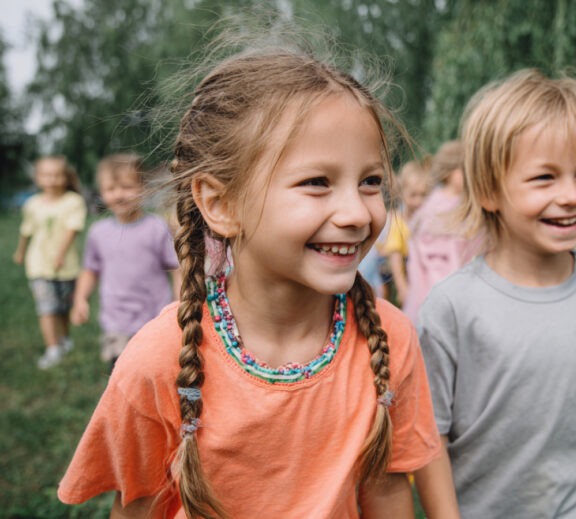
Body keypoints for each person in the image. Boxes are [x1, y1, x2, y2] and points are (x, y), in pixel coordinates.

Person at [56, 42, 445, 518]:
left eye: (371, 182)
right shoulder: (159, 360)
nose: (357, 212)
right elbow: (137, 507)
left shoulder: (391, 339)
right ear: (220, 205)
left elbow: (386, 488)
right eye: (317, 182)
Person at [417, 69, 576, 518]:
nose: (572, 196)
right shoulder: (450, 309)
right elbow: (430, 436)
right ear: (488, 191)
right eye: (544, 178)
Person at [70, 154, 181, 372]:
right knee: (121, 375)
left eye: (127, 187)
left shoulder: (156, 227)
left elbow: (176, 268)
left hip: (153, 319)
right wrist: (80, 299)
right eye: (111, 189)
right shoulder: (98, 233)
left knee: (155, 374)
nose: (119, 195)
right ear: (101, 192)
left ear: (142, 187)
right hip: (115, 322)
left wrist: (179, 302)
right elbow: (90, 270)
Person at [13, 156, 87, 370]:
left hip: (66, 266)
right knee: (47, 308)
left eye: (57, 174)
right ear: (38, 178)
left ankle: (64, 339)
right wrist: (20, 251)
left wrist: (61, 254)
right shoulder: (32, 204)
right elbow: (26, 230)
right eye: (46, 175)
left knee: (63, 307)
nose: (52, 179)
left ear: (65, 177)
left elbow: (72, 229)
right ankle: (52, 348)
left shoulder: (73, 201)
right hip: (38, 264)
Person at [401, 140, 479, 324]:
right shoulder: (434, 205)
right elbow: (424, 249)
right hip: (436, 278)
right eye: (464, 169)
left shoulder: (466, 203)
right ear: (450, 171)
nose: (470, 174)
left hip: (459, 274)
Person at [381, 158, 432, 306]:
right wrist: (402, 288)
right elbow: (395, 260)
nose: (418, 201)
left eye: (423, 195)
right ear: (402, 194)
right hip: (396, 266)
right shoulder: (399, 222)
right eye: (413, 195)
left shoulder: (427, 221)